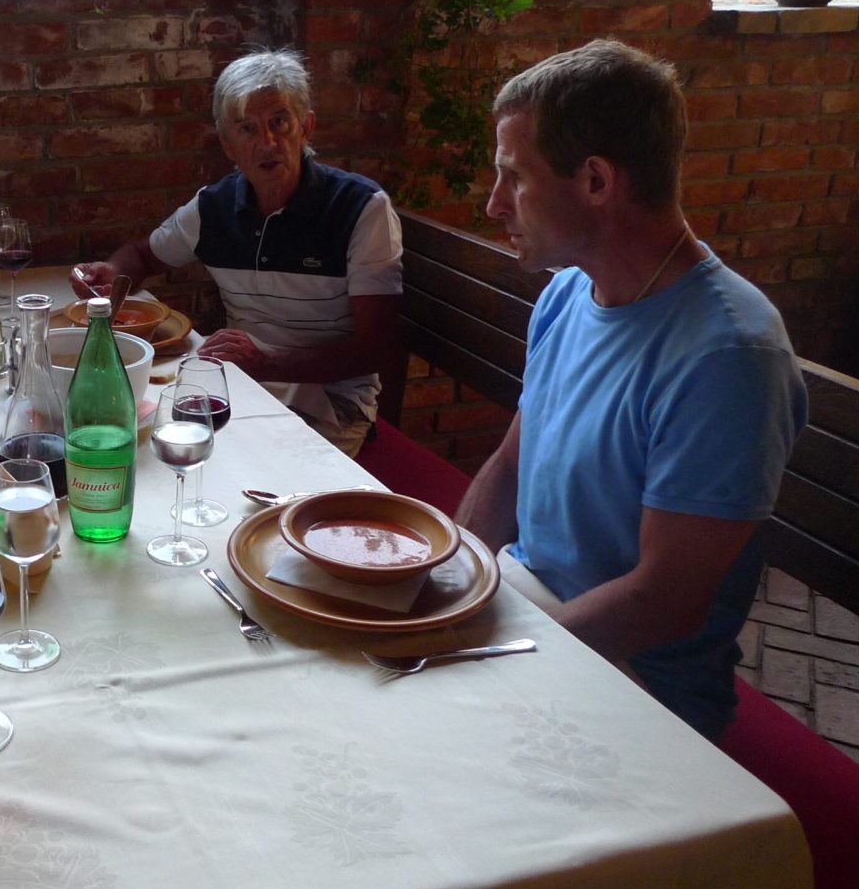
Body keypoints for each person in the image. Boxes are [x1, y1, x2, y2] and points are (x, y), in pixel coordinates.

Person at [457, 39, 808, 742]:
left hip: (638, 686)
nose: (494, 203)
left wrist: (498, 667)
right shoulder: (568, 293)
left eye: (513, 177)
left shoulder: (729, 357)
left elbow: (663, 602)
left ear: (595, 180)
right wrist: (439, 581)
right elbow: (510, 464)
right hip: (534, 611)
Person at [70, 48, 402, 456]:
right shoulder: (214, 206)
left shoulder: (361, 208)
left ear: (306, 127)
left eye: (279, 122)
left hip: (331, 405)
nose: (267, 141)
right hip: (242, 387)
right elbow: (142, 256)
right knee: (122, 434)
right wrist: (110, 271)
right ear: (228, 145)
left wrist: (266, 363)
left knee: (186, 461)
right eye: (248, 128)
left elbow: (374, 349)